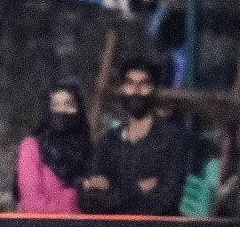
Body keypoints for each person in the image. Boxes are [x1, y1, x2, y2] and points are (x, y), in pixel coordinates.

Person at [80, 57, 187, 216]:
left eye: (144, 84)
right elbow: (91, 199)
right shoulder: (109, 142)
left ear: (154, 90)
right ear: (122, 89)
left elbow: (166, 200)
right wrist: (137, 189)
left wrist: (113, 194)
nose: (136, 91)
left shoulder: (172, 139)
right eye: (130, 84)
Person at [16, 81, 92, 214]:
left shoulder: (88, 151)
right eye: (55, 105)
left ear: (78, 110)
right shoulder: (32, 147)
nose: (61, 110)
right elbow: (32, 205)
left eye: (69, 104)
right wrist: (73, 199)